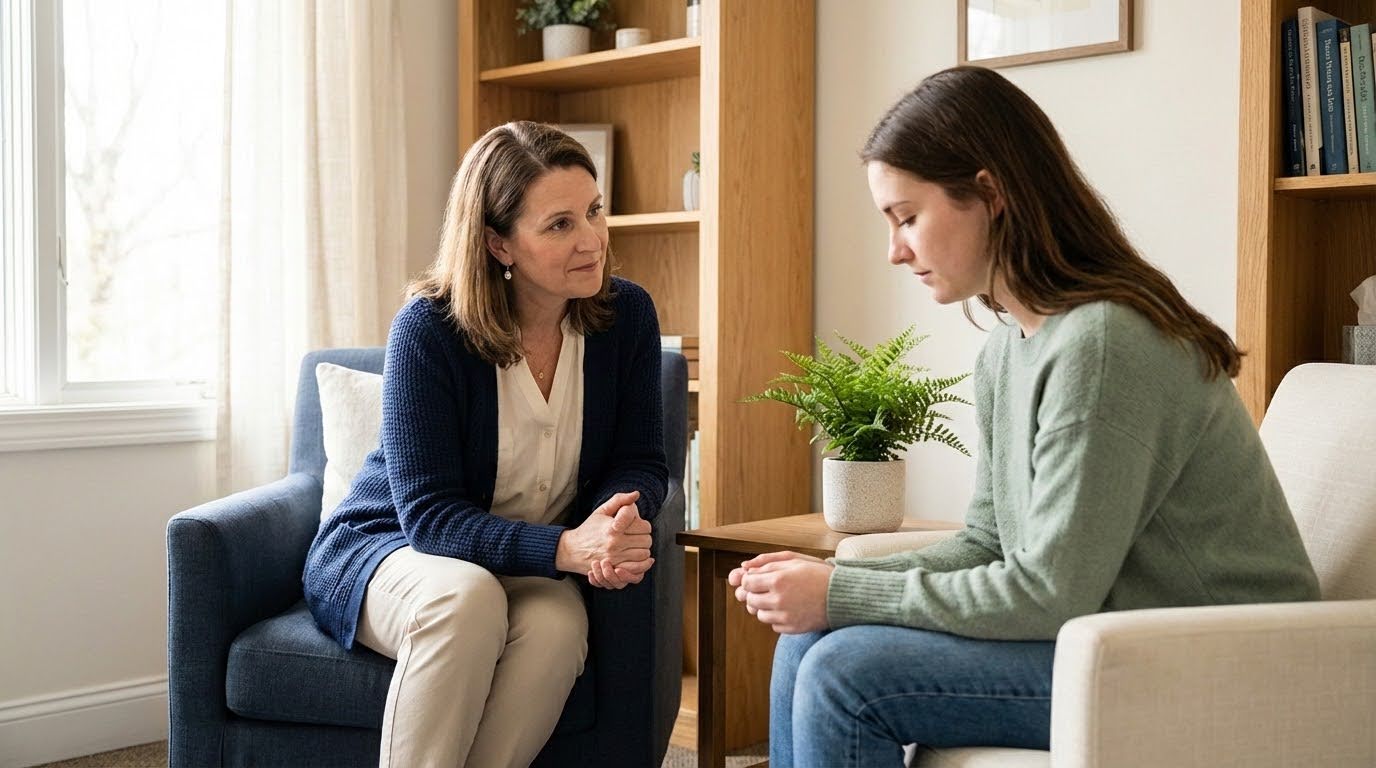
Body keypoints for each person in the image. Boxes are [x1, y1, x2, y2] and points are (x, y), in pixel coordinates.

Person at [731, 66, 1320, 767]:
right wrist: (829, 587)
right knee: (806, 643)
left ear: (990, 193)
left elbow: (1045, 594)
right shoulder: (1011, 345)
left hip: (1214, 660)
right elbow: (988, 541)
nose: (895, 251)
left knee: (845, 676)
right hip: (1111, 636)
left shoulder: (1103, 343)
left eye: (907, 218)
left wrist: (843, 591)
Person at [302, 120, 668, 768]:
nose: (592, 241)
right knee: (466, 601)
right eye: (560, 225)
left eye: (594, 211)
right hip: (390, 547)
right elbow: (431, 519)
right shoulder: (431, 330)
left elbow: (639, 458)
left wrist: (614, 518)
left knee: (559, 627)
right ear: (499, 242)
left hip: (520, 563)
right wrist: (568, 547)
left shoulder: (627, 315)